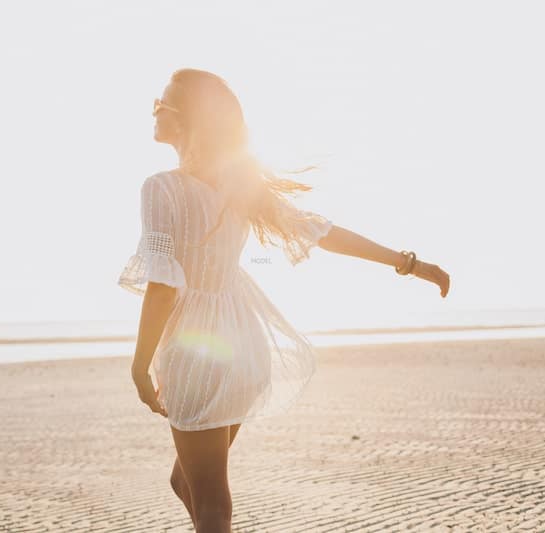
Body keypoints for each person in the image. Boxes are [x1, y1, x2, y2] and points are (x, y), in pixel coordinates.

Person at [117, 68, 450, 533]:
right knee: (185, 481)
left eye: (164, 103)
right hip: (244, 347)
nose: (154, 108)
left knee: (212, 503)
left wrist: (138, 366)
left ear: (188, 118)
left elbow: (162, 284)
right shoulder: (240, 186)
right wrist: (409, 264)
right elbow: (325, 233)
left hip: (195, 353)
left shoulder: (161, 187)